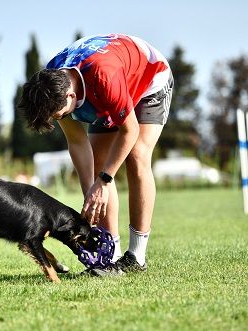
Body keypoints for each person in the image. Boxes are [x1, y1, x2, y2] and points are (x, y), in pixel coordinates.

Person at [18, 34, 173, 276]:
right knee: (99, 167)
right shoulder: (51, 83)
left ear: (70, 96)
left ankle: (136, 258)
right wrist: (90, 194)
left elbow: (129, 130)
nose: (59, 119)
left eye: (59, 115)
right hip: (108, 87)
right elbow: (78, 143)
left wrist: (104, 181)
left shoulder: (103, 77)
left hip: (149, 78)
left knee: (137, 155)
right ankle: (112, 258)